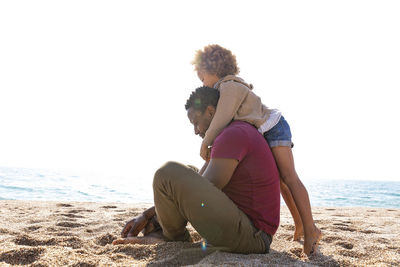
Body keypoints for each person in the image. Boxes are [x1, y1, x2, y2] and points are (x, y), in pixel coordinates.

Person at [113, 86, 281, 254]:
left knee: (167, 173)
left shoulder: (232, 135)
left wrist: (149, 214)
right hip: (249, 231)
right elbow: (198, 184)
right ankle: (162, 229)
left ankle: (171, 237)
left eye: (196, 123)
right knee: (190, 172)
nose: (195, 131)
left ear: (210, 111)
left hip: (252, 237)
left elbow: (206, 188)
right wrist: (149, 214)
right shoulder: (233, 132)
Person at [191, 44, 322, 256]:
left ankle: (311, 229)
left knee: (289, 177)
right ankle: (299, 225)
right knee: (280, 181)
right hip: (265, 131)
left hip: (274, 127)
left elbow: (222, 118)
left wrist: (205, 141)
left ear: (213, 69)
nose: (203, 83)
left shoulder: (230, 86)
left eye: (202, 78)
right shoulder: (226, 87)